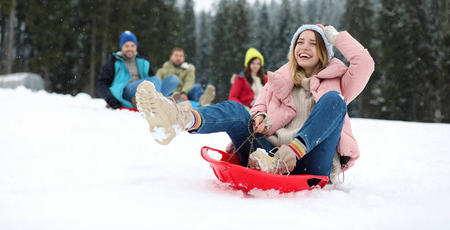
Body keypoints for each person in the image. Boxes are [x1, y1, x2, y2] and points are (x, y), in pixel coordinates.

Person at [135, 24, 374, 184]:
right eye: (300, 42)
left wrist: (334, 35)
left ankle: (287, 156)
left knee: (334, 101)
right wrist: (260, 117)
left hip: (311, 161)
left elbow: (365, 63)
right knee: (238, 111)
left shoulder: (339, 81)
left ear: (324, 51)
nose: (305, 47)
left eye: (313, 43)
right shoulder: (277, 81)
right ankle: (179, 119)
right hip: (267, 155)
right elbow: (257, 108)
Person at [95, 30, 179, 109]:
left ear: (136, 47)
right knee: (155, 80)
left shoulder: (143, 62)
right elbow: (101, 84)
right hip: (126, 91)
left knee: (174, 79)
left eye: (132, 46)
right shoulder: (114, 61)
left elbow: (154, 81)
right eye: (126, 46)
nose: (130, 49)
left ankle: (150, 100)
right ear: (122, 47)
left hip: (144, 91)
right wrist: (110, 99)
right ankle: (162, 101)